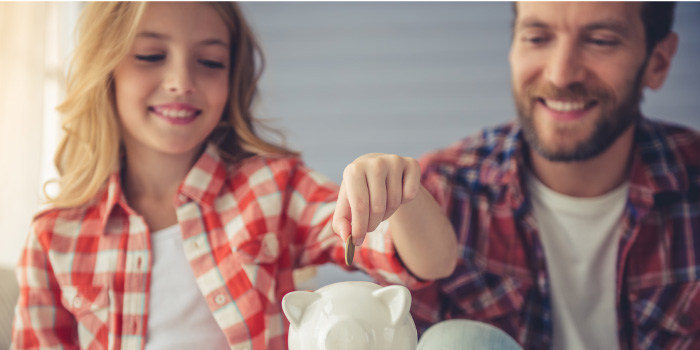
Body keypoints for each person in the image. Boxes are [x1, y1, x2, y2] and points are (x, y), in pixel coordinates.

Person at [10, 2, 457, 349]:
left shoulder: (272, 189)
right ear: (103, 69)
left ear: (233, 78)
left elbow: (431, 262)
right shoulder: (55, 237)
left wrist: (402, 191)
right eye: (150, 55)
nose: (181, 79)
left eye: (210, 62)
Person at [411, 2, 699, 349]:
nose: (561, 75)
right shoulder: (437, 193)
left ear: (658, 61)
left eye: (601, 41)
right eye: (537, 38)